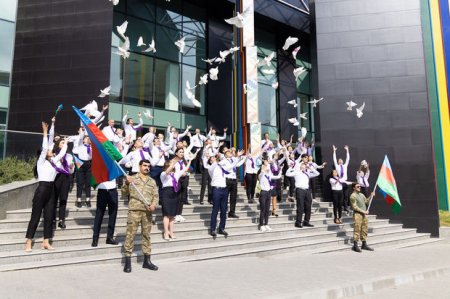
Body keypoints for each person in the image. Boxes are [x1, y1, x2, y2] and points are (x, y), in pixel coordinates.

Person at [25, 122, 66, 252]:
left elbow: (62, 152)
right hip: (42, 189)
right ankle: (28, 241)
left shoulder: (54, 162)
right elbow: (45, 147)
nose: (51, 150)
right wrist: (45, 133)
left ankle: (46, 242)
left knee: (49, 216)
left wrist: (65, 143)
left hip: (51, 190)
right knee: (36, 216)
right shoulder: (41, 162)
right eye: (50, 150)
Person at [122, 160, 159, 272]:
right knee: (130, 235)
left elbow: (156, 196)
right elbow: (123, 193)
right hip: (134, 211)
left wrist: (153, 205)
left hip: (147, 212)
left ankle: (146, 261)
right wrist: (127, 183)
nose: (147, 167)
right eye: (144, 165)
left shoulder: (152, 181)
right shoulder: (132, 178)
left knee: (146, 235)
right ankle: (127, 261)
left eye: (148, 166)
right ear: (139, 166)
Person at [204, 150, 243, 237]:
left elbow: (232, 165)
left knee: (224, 210)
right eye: (212, 158)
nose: (214, 158)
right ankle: (213, 229)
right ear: (210, 161)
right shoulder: (211, 168)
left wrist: (237, 157)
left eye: (214, 157)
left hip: (224, 190)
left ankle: (222, 228)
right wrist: (214, 158)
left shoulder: (223, 167)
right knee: (215, 210)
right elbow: (215, 163)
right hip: (216, 190)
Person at [160, 157, 193, 240]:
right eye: (169, 166)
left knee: (172, 215)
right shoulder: (163, 174)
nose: (172, 167)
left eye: (172, 166)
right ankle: (166, 232)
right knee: (166, 214)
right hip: (166, 193)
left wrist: (190, 160)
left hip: (174, 193)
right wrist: (173, 163)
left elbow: (185, 169)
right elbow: (167, 171)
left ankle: (171, 232)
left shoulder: (175, 174)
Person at [286, 162, 320, 228]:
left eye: (304, 166)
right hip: (299, 190)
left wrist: (310, 168)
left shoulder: (308, 173)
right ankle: (298, 222)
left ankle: (306, 221)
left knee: (308, 206)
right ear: (300, 166)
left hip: (307, 190)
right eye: (302, 165)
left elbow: (317, 173)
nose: (303, 166)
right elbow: (287, 174)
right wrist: (290, 167)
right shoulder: (296, 172)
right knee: (300, 206)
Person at [52, 136, 75, 229]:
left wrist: (71, 167)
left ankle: (61, 220)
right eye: (62, 143)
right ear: (58, 145)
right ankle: (52, 219)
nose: (64, 144)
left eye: (64, 143)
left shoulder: (69, 156)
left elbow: (71, 171)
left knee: (63, 199)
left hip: (66, 178)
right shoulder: (54, 155)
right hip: (56, 177)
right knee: (54, 199)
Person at [91, 178, 119, 247]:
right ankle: (95, 238)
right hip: (102, 190)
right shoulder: (99, 167)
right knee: (99, 215)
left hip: (113, 190)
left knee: (113, 215)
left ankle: (109, 237)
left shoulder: (113, 166)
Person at [258, 158, 282, 232]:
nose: (266, 167)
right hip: (263, 193)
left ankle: (266, 224)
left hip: (268, 193)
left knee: (267, 210)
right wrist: (264, 167)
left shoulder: (269, 175)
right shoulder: (261, 175)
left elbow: (278, 177)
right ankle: (261, 225)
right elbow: (262, 172)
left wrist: (280, 170)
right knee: (263, 209)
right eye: (264, 167)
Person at [350, 183, 375, 252]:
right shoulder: (353, 196)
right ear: (353, 188)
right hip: (357, 214)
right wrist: (363, 212)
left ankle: (364, 244)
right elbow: (354, 207)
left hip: (364, 215)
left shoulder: (361, 195)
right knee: (357, 229)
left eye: (360, 186)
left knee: (364, 229)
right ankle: (355, 245)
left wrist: (371, 196)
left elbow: (367, 202)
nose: (359, 187)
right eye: (357, 186)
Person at [75, 132, 92, 208]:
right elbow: (80, 138)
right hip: (80, 163)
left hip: (88, 164)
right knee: (80, 182)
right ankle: (79, 199)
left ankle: (88, 199)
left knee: (88, 183)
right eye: (86, 138)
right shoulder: (80, 145)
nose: (88, 139)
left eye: (89, 138)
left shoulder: (91, 147)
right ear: (83, 140)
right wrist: (81, 132)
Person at [333, 145, 350, 212]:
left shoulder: (345, 165)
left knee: (346, 195)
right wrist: (334, 151)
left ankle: (345, 207)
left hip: (345, 182)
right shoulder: (337, 166)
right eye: (339, 160)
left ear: (342, 161)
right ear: (338, 162)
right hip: (339, 182)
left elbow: (348, 158)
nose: (340, 160)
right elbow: (334, 159)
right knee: (340, 195)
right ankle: (340, 206)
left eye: (341, 160)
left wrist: (347, 150)